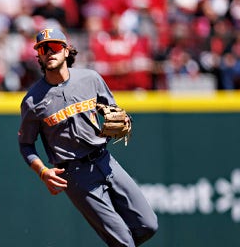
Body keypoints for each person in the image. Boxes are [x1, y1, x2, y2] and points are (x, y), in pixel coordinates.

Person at [17, 28, 158, 246]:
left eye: (53, 47)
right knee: (123, 242)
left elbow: (112, 110)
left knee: (148, 225)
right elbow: (26, 144)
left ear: (66, 50)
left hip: (105, 160)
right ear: (38, 56)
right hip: (75, 173)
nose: (48, 52)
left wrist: (124, 121)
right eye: (43, 49)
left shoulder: (90, 79)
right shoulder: (32, 101)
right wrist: (42, 171)